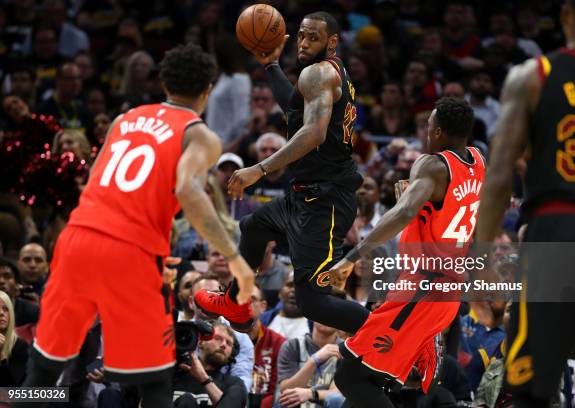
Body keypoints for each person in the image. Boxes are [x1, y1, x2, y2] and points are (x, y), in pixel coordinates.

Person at [22, 44, 255, 408]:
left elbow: (94, 182)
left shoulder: (124, 119)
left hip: (78, 238)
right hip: (130, 250)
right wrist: (236, 259)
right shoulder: (199, 135)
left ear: (163, 82)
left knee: (43, 366)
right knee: (156, 378)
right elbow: (187, 189)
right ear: (208, 90)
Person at [195, 11, 370, 337]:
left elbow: (313, 133)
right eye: (300, 35)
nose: (303, 43)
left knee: (313, 302)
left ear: (331, 42)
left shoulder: (318, 74)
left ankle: (387, 335)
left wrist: (259, 169)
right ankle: (235, 300)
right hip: (307, 192)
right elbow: (294, 108)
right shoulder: (324, 73)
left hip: (326, 201)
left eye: (312, 38)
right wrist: (270, 65)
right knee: (254, 226)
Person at [476, 1, 575, 407]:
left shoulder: (533, 75)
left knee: (531, 385)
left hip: (556, 230)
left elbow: (499, 175)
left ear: (567, 15)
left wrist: (483, 252)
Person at [328, 98, 486, 407]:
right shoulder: (478, 161)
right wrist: (415, 205)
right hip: (445, 291)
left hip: (422, 290)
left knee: (350, 375)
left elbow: (402, 214)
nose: (427, 133)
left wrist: (351, 258)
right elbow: (448, 212)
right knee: (372, 378)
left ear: (437, 132)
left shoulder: (431, 165)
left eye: (429, 127)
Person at [173, 321, 247, 407]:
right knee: (187, 400)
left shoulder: (234, 384)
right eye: (217, 338)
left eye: (229, 343)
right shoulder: (174, 373)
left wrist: (204, 379)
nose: (223, 345)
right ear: (200, 342)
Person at [248, 284, 285, 408]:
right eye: (240, 299)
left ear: (263, 306)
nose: (244, 303)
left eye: (252, 299)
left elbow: (278, 390)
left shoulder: (278, 342)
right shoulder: (224, 340)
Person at [0, 290, 30, 386]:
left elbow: (12, 392)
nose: (1, 313)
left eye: (5, 309)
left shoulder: (20, 346)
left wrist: (1, 356)